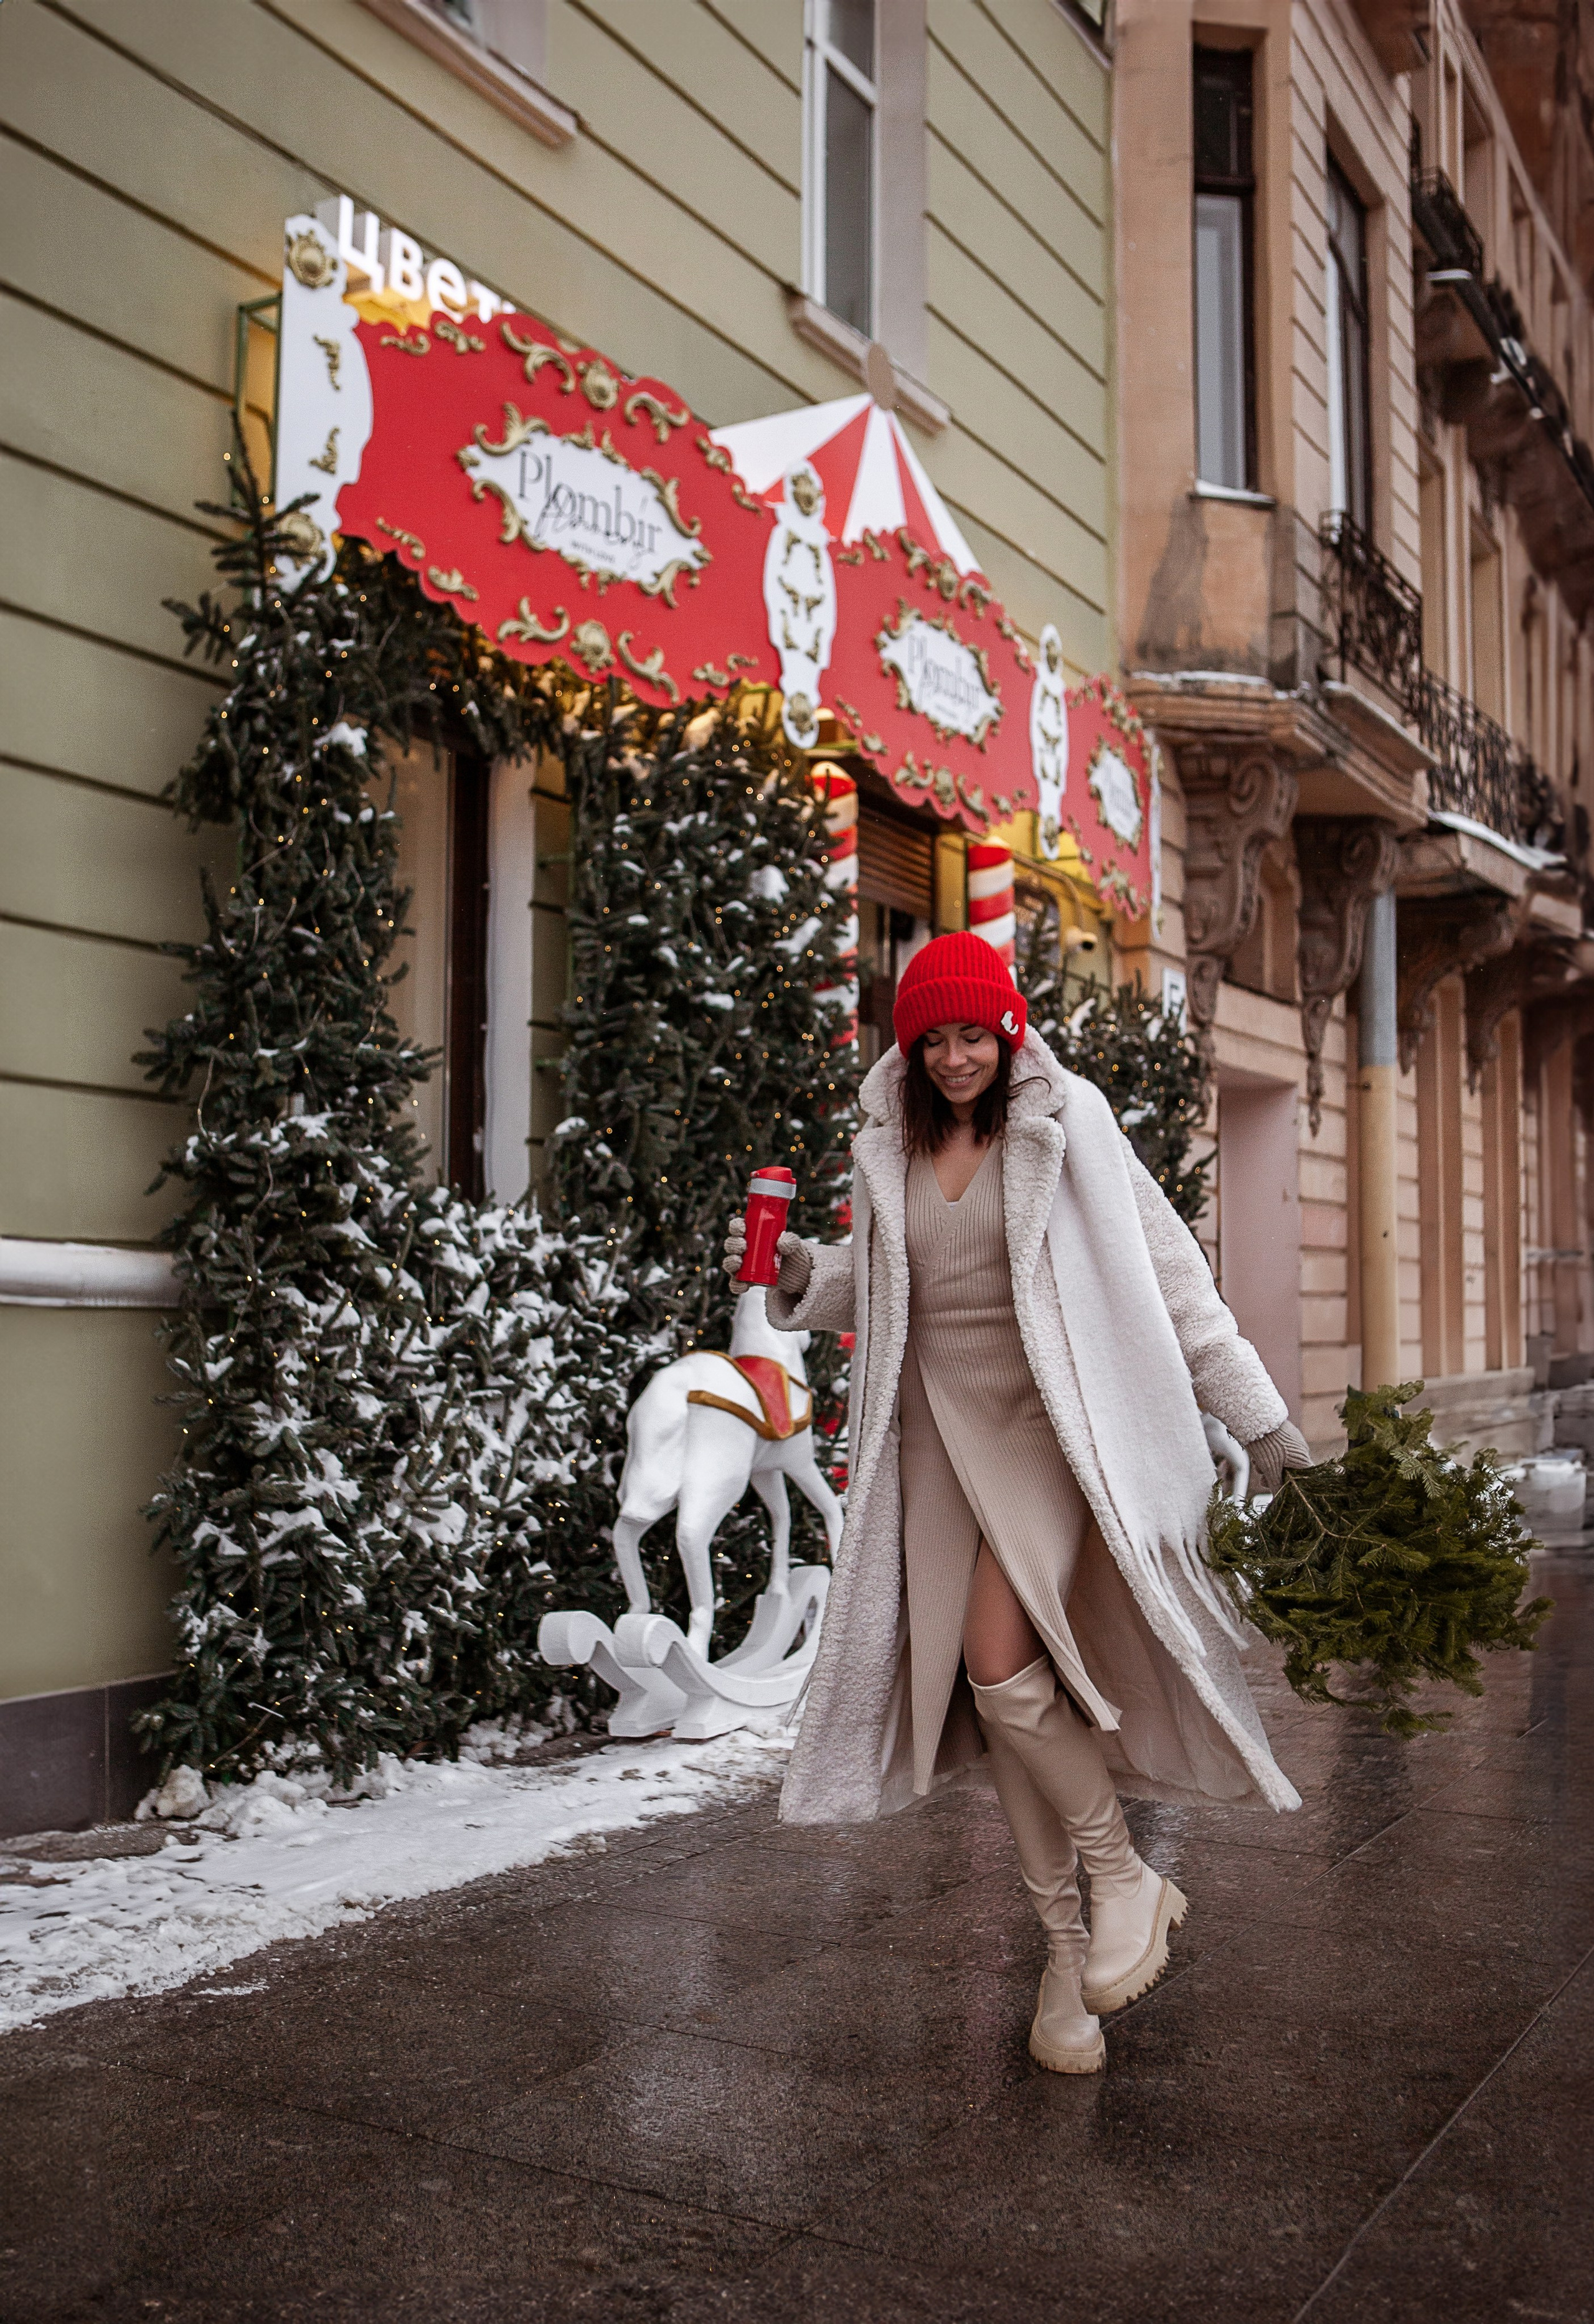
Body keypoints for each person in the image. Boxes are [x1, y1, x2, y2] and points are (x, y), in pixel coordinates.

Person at [724, 930, 1309, 2076]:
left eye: (971, 1035)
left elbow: (1172, 1277)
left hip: (1049, 1429)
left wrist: (1258, 1415)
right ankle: (1063, 1956)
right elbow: (899, 1274)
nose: (953, 1058)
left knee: (996, 1659)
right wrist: (808, 1276)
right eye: (931, 1038)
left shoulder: (1069, 1123)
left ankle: (1126, 1870)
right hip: (939, 1435)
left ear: (1007, 1030)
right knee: (993, 1708)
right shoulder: (887, 1145)